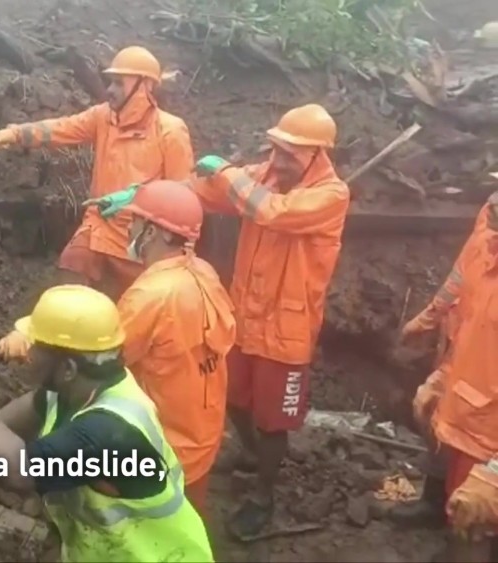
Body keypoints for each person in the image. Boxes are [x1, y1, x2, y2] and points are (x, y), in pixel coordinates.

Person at [0, 285, 214, 562]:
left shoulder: (107, 431)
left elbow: (16, 469)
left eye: (36, 347)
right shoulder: (71, 394)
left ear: (68, 369)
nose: (27, 353)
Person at [189, 103, 351, 538]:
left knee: (273, 420)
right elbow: (208, 193)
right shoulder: (265, 176)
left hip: (287, 331)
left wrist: (225, 171)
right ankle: (249, 452)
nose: (277, 161)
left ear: (316, 155)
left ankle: (264, 494)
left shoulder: (331, 195)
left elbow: (274, 212)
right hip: (245, 317)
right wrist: (145, 193)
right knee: (231, 396)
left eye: (288, 154)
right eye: (275, 149)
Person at [0, 46, 194, 303]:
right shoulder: (103, 117)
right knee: (72, 268)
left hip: (143, 238)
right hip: (100, 226)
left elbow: (184, 198)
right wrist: (16, 134)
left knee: (141, 304)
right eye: (110, 82)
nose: (110, 90)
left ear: (143, 86)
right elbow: (62, 128)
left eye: (118, 83)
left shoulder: (171, 130)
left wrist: (135, 199)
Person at [114, 180, 237, 517]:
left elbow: (103, 360)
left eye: (134, 220)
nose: (128, 228)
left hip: (162, 448)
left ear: (152, 232)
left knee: (149, 532)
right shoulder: (203, 271)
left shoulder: (150, 295)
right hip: (202, 437)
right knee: (188, 526)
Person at [393, 202, 492, 528]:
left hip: (487, 380)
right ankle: (435, 504)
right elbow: (460, 277)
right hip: (463, 350)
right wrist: (428, 319)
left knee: (475, 482)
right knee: (434, 414)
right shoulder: (489, 222)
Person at [421, 190, 498, 562]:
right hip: (473, 421)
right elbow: (472, 338)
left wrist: (494, 472)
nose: (493, 206)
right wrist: (443, 378)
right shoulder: (489, 251)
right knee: (464, 519)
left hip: (489, 441)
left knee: (476, 526)